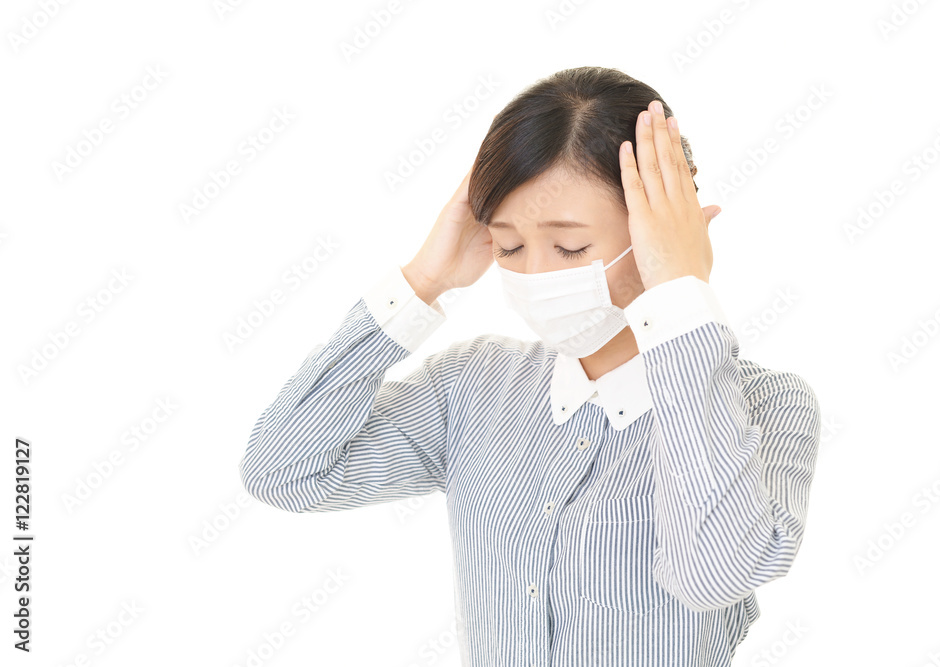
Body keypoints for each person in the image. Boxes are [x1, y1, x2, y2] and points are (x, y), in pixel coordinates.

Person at [238, 66, 822, 667]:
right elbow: (282, 471)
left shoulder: (768, 407)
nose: (535, 274)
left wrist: (679, 292)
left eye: (570, 246)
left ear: (664, 227)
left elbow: (714, 575)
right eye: (509, 246)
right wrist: (424, 281)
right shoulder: (471, 384)